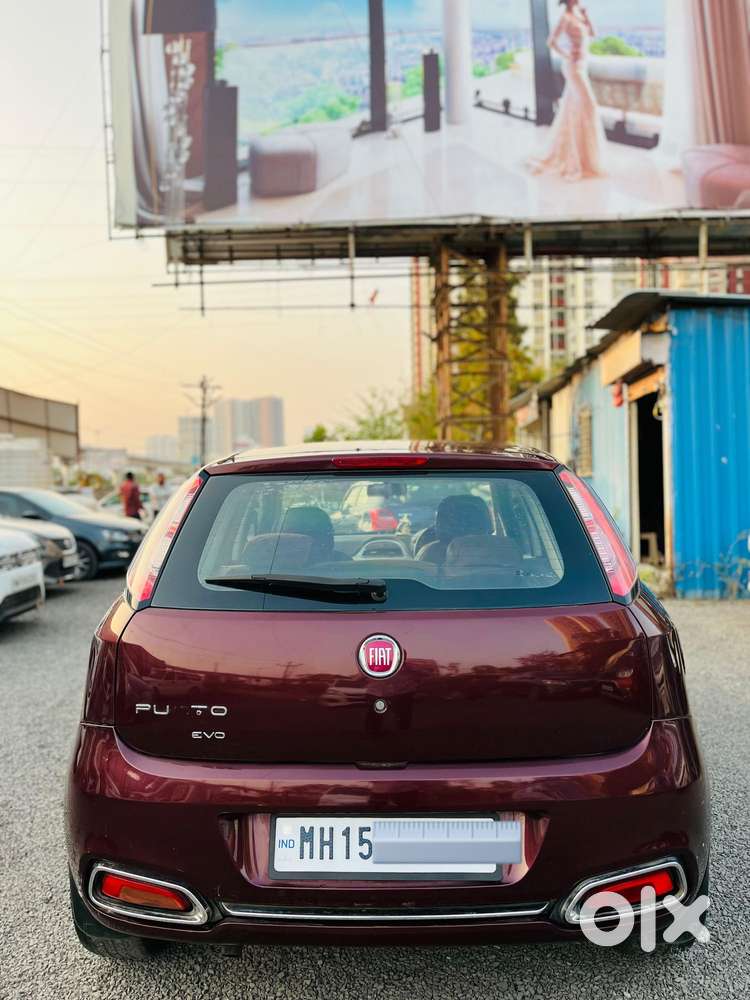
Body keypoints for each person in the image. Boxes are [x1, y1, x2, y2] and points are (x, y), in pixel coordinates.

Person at [527, 0, 606, 181]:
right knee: (589, 105)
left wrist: (587, 17)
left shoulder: (579, 15)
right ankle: (581, 157)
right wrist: (566, 54)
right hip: (573, 67)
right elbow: (551, 42)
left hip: (582, 66)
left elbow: (593, 35)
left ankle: (584, 156)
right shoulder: (566, 17)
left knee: (574, 108)